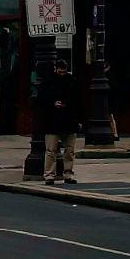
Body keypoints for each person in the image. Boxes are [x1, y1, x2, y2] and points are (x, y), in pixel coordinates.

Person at [39, 57, 82, 185]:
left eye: (63, 71)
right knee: (52, 150)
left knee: (68, 150)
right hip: (55, 120)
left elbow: (78, 102)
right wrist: (53, 104)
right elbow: (42, 101)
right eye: (60, 71)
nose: (62, 74)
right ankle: (50, 175)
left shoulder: (70, 81)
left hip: (66, 120)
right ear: (56, 69)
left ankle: (66, 174)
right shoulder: (50, 82)